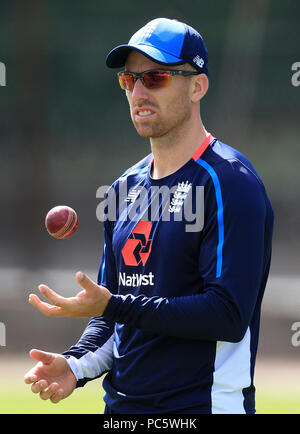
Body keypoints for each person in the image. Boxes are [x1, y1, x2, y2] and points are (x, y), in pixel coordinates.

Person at [24, 17, 274, 414]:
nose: (139, 91)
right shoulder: (123, 189)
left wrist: (112, 306)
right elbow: (112, 320)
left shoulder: (230, 183)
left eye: (155, 77)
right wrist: (75, 364)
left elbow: (226, 315)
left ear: (197, 86)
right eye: (129, 80)